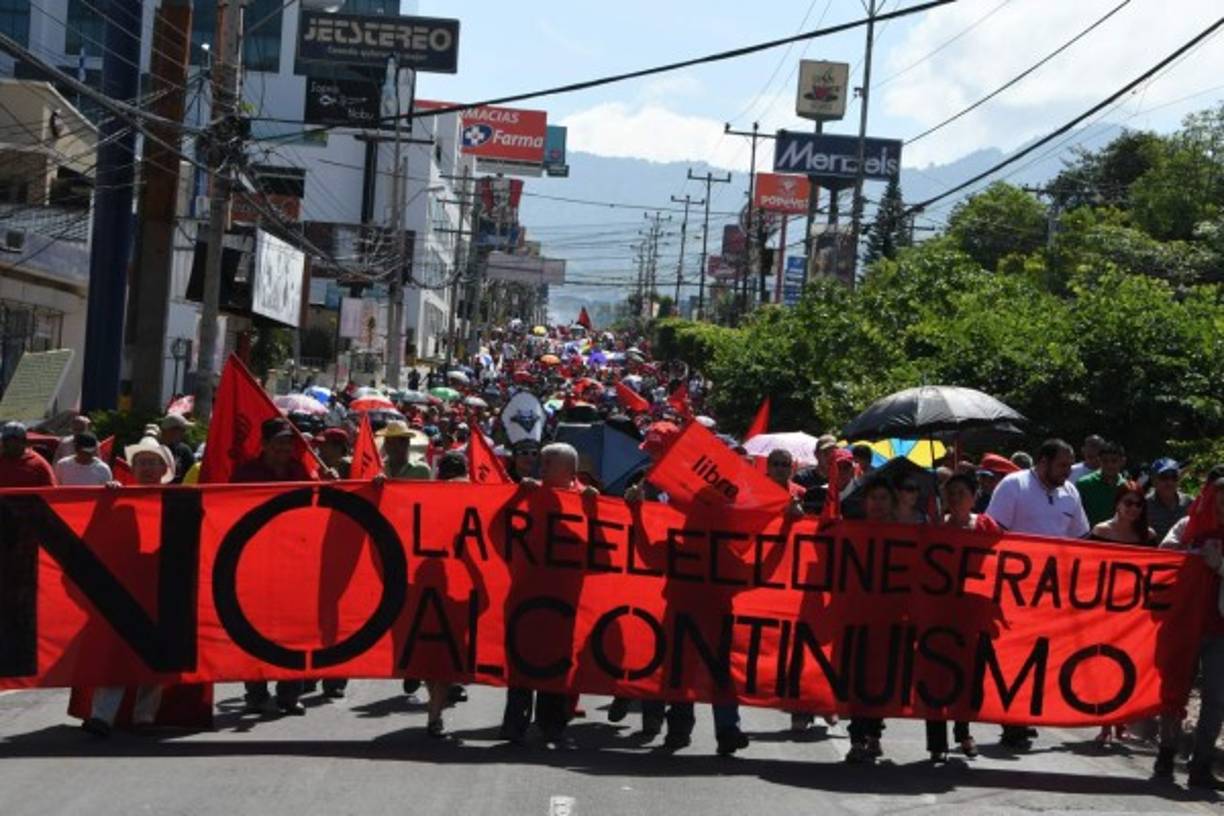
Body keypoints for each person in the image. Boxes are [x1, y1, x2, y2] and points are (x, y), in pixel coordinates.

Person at [986, 438, 1089, 750]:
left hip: (1051, 593)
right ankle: (1011, 721)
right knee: (1015, 656)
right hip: (1014, 591)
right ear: (1042, 461)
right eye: (1062, 465)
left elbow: (1081, 540)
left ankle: (1024, 715)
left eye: (1070, 466)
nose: (1067, 472)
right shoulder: (1013, 486)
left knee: (1041, 656)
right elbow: (993, 533)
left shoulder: (1070, 492)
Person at [501, 443, 596, 748]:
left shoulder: (585, 499)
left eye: (548, 463)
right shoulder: (529, 494)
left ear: (569, 470)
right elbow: (496, 526)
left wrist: (593, 508)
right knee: (520, 658)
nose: (540, 467)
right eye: (542, 461)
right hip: (525, 593)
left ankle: (551, 723)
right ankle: (515, 722)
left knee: (556, 661)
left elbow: (603, 547)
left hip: (565, 598)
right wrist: (517, 497)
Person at [80, 437, 176, 736]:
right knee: (115, 653)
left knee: (157, 655)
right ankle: (101, 717)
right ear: (132, 469)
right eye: (141, 463)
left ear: (164, 467)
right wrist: (107, 500)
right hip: (123, 587)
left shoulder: (179, 501)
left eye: (153, 462)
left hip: (162, 587)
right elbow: (97, 537)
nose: (147, 468)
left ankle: (144, 717)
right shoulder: (118, 499)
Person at [231, 418, 313, 717]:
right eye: (277, 443)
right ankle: (255, 692)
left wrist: (330, 482)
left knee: (296, 630)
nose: (283, 449)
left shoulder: (298, 470)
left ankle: (290, 694)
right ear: (264, 445)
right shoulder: (247, 474)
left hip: (294, 561)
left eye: (287, 444)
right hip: (254, 561)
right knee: (253, 629)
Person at [1156, 471, 1224, 788]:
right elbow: (1162, 557)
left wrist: (1220, 566)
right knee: (1175, 689)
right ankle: (1166, 755)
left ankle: (1201, 765)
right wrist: (1191, 555)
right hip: (1184, 623)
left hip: (1219, 629)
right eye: (1219, 492)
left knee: (1216, 697)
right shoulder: (1187, 527)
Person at [924, 473, 996, 761]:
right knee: (936, 676)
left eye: (961, 493)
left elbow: (1000, 559)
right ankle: (937, 743)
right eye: (950, 493)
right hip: (939, 613)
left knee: (969, 677)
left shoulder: (985, 525)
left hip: (973, 615)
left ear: (974, 496)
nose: (955, 499)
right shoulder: (934, 527)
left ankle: (963, 730)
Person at [846, 477, 896, 764]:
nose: (878, 503)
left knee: (880, 681)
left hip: (889, 620)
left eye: (884, 498)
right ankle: (857, 737)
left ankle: (875, 731)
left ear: (891, 505)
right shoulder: (851, 532)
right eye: (873, 498)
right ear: (865, 503)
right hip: (856, 617)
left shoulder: (905, 535)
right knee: (856, 678)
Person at [1076, 440, 1127, 526]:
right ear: (1099, 460)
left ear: (1123, 461)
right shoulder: (1084, 484)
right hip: (1089, 537)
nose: (1109, 465)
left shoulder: (1127, 487)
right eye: (1105, 461)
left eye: (1114, 461)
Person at [1146, 458, 1191, 542]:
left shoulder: (1189, 502)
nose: (1169, 482)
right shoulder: (1143, 505)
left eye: (1174, 477)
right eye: (1164, 477)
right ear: (1153, 480)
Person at [0, 421, 57, 487]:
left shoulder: (38, 464)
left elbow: (51, 490)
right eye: (5, 440)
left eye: (12, 440)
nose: (8, 444)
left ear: (24, 441)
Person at [160, 413, 196, 484]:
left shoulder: (184, 450)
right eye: (182, 430)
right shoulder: (154, 449)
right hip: (156, 493)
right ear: (171, 430)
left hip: (180, 493)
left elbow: (192, 474)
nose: (184, 433)